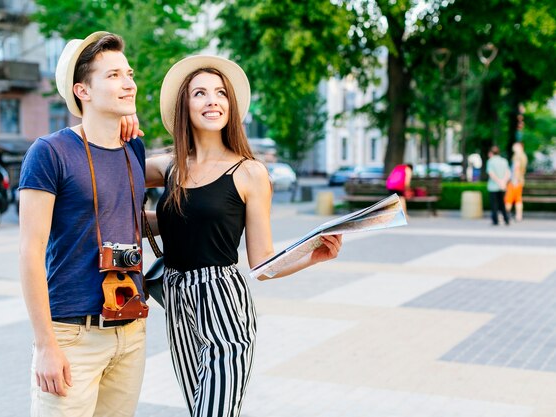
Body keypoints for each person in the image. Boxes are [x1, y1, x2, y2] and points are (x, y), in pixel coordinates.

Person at [144, 55, 343, 417]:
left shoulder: (249, 172)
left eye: (220, 93)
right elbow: (111, 170)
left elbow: (262, 263)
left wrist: (311, 257)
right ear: (183, 106)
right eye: (200, 93)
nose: (213, 101)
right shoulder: (169, 166)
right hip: (176, 305)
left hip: (223, 303)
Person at [19, 32, 147, 416]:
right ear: (82, 91)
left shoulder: (134, 148)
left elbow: (129, 218)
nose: (129, 83)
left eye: (128, 73)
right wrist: (45, 345)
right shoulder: (50, 152)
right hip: (72, 335)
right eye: (113, 76)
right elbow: (29, 252)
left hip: (130, 330)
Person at [486, 145, 511, 226]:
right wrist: (503, 182)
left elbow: (491, 173)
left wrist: (498, 181)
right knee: (502, 204)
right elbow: (508, 173)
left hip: (493, 187)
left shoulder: (490, 161)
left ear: (491, 153)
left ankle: (495, 220)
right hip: (503, 186)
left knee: (494, 204)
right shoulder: (504, 161)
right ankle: (506, 219)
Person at [504, 141, 528, 221]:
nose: (513, 146)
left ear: (520, 147)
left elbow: (516, 169)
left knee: (509, 199)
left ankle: (505, 215)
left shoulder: (517, 156)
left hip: (515, 180)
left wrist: (514, 180)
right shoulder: (524, 156)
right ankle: (519, 216)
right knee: (518, 199)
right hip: (520, 180)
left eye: (515, 145)